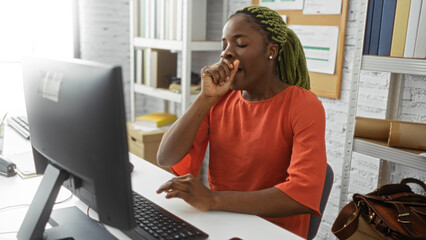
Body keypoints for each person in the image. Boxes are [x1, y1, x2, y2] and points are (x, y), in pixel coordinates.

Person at [156, 5, 327, 239]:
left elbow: (302, 194)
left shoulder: (303, 105)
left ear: (271, 51)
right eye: (223, 45)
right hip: (222, 222)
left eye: (240, 44)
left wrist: (211, 199)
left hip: (273, 232)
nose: (227, 53)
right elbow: (166, 156)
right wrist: (204, 99)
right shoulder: (220, 99)